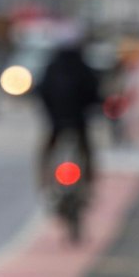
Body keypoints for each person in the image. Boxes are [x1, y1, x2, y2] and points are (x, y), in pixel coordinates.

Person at [35, 26, 102, 188]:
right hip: (78, 120)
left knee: (47, 151)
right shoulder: (83, 67)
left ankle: (44, 180)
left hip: (57, 121)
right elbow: (94, 93)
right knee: (86, 150)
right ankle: (89, 180)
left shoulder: (52, 67)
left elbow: (41, 91)